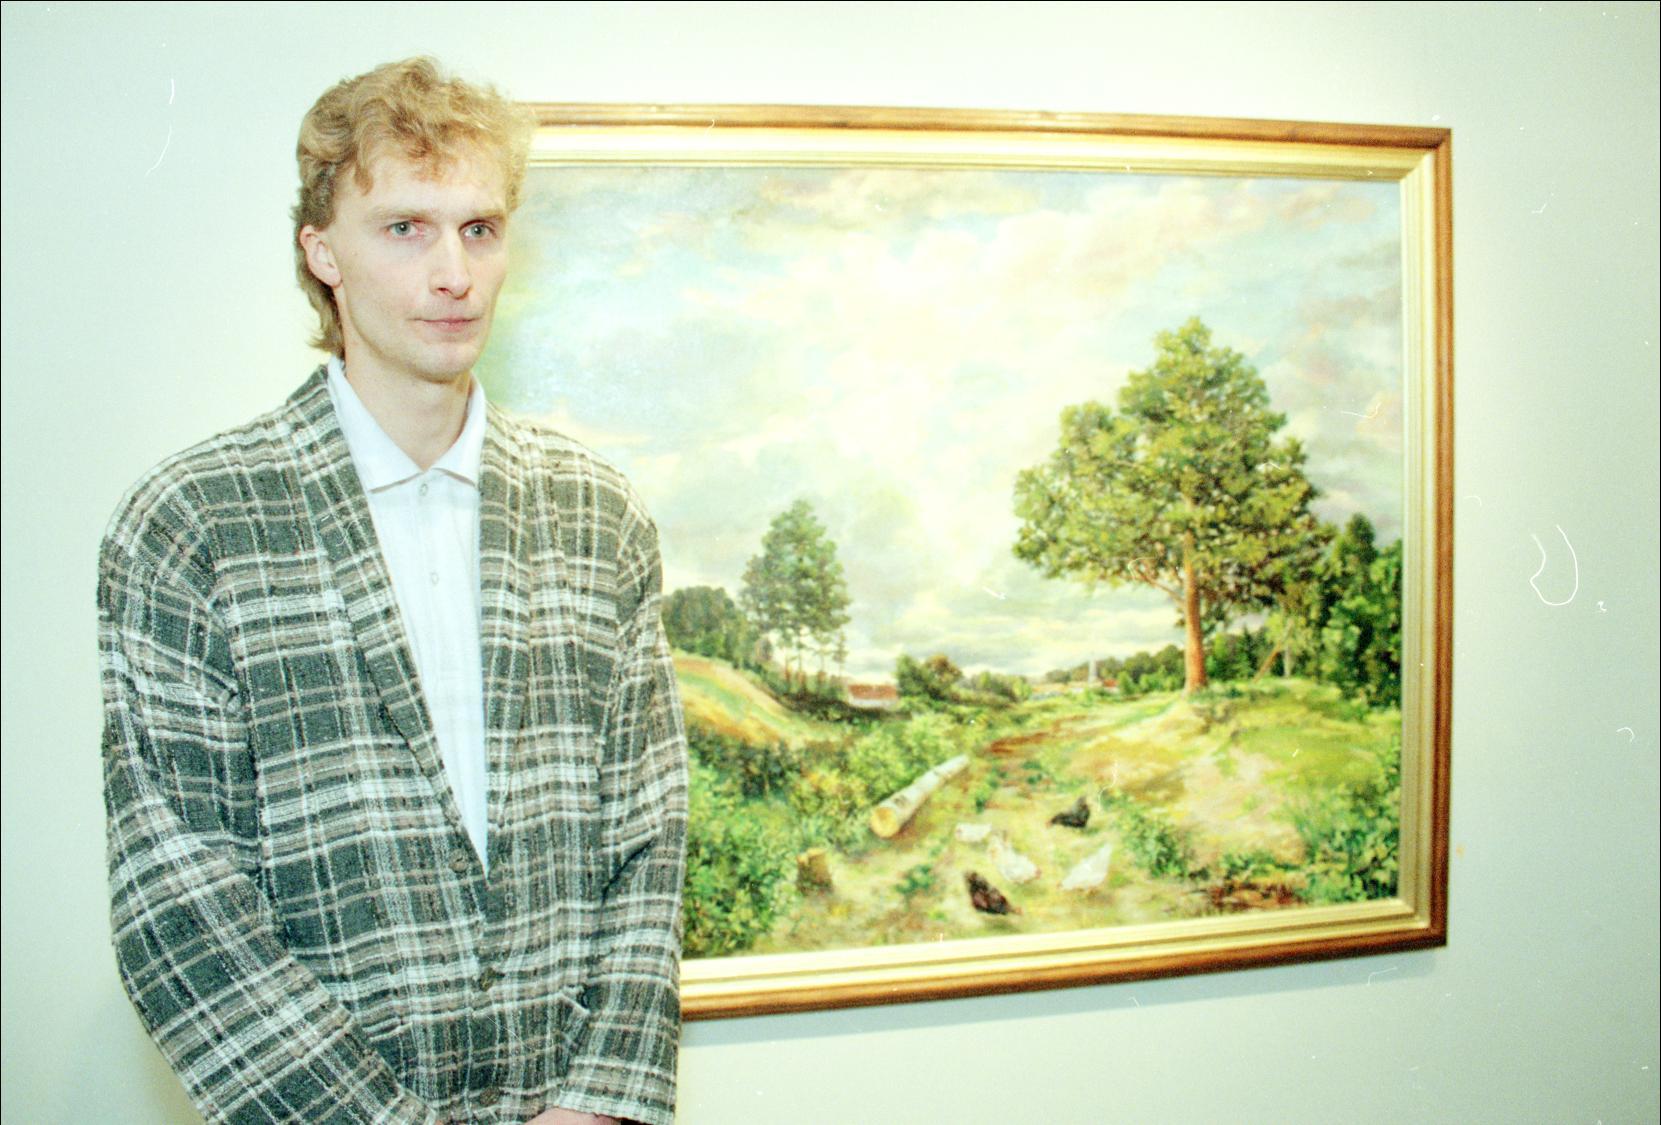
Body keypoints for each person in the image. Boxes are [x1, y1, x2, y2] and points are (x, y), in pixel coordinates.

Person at [98, 58, 688, 1125]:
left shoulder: (598, 514)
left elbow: (648, 837)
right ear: (321, 252)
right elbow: (178, 901)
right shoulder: (196, 523)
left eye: (479, 228)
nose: (453, 273)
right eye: (405, 228)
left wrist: (597, 1101)